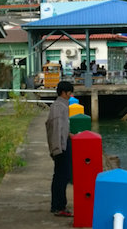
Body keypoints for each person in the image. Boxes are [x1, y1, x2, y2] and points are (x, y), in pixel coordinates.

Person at [46, 81, 74, 217]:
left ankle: (57, 205)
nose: (71, 95)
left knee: (60, 176)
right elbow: (56, 129)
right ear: (64, 92)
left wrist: (69, 135)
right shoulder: (59, 107)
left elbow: (61, 127)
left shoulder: (60, 106)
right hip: (61, 146)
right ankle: (59, 206)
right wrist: (57, 149)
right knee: (62, 177)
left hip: (63, 143)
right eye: (69, 92)